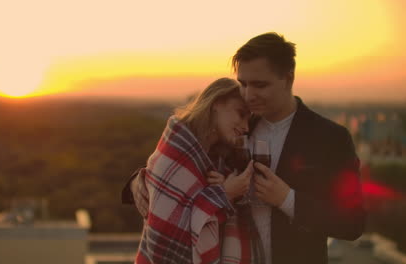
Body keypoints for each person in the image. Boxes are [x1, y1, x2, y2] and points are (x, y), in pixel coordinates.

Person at [123, 32, 366, 264]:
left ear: (289, 79)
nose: (248, 95)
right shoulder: (235, 125)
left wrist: (287, 199)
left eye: (260, 85)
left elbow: (352, 223)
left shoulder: (330, 138)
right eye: (243, 83)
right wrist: (138, 180)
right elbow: (180, 163)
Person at [133, 78, 264, 264]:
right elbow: (163, 239)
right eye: (241, 114)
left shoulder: (216, 158)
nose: (246, 127)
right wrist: (224, 194)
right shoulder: (178, 150)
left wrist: (225, 187)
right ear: (217, 102)